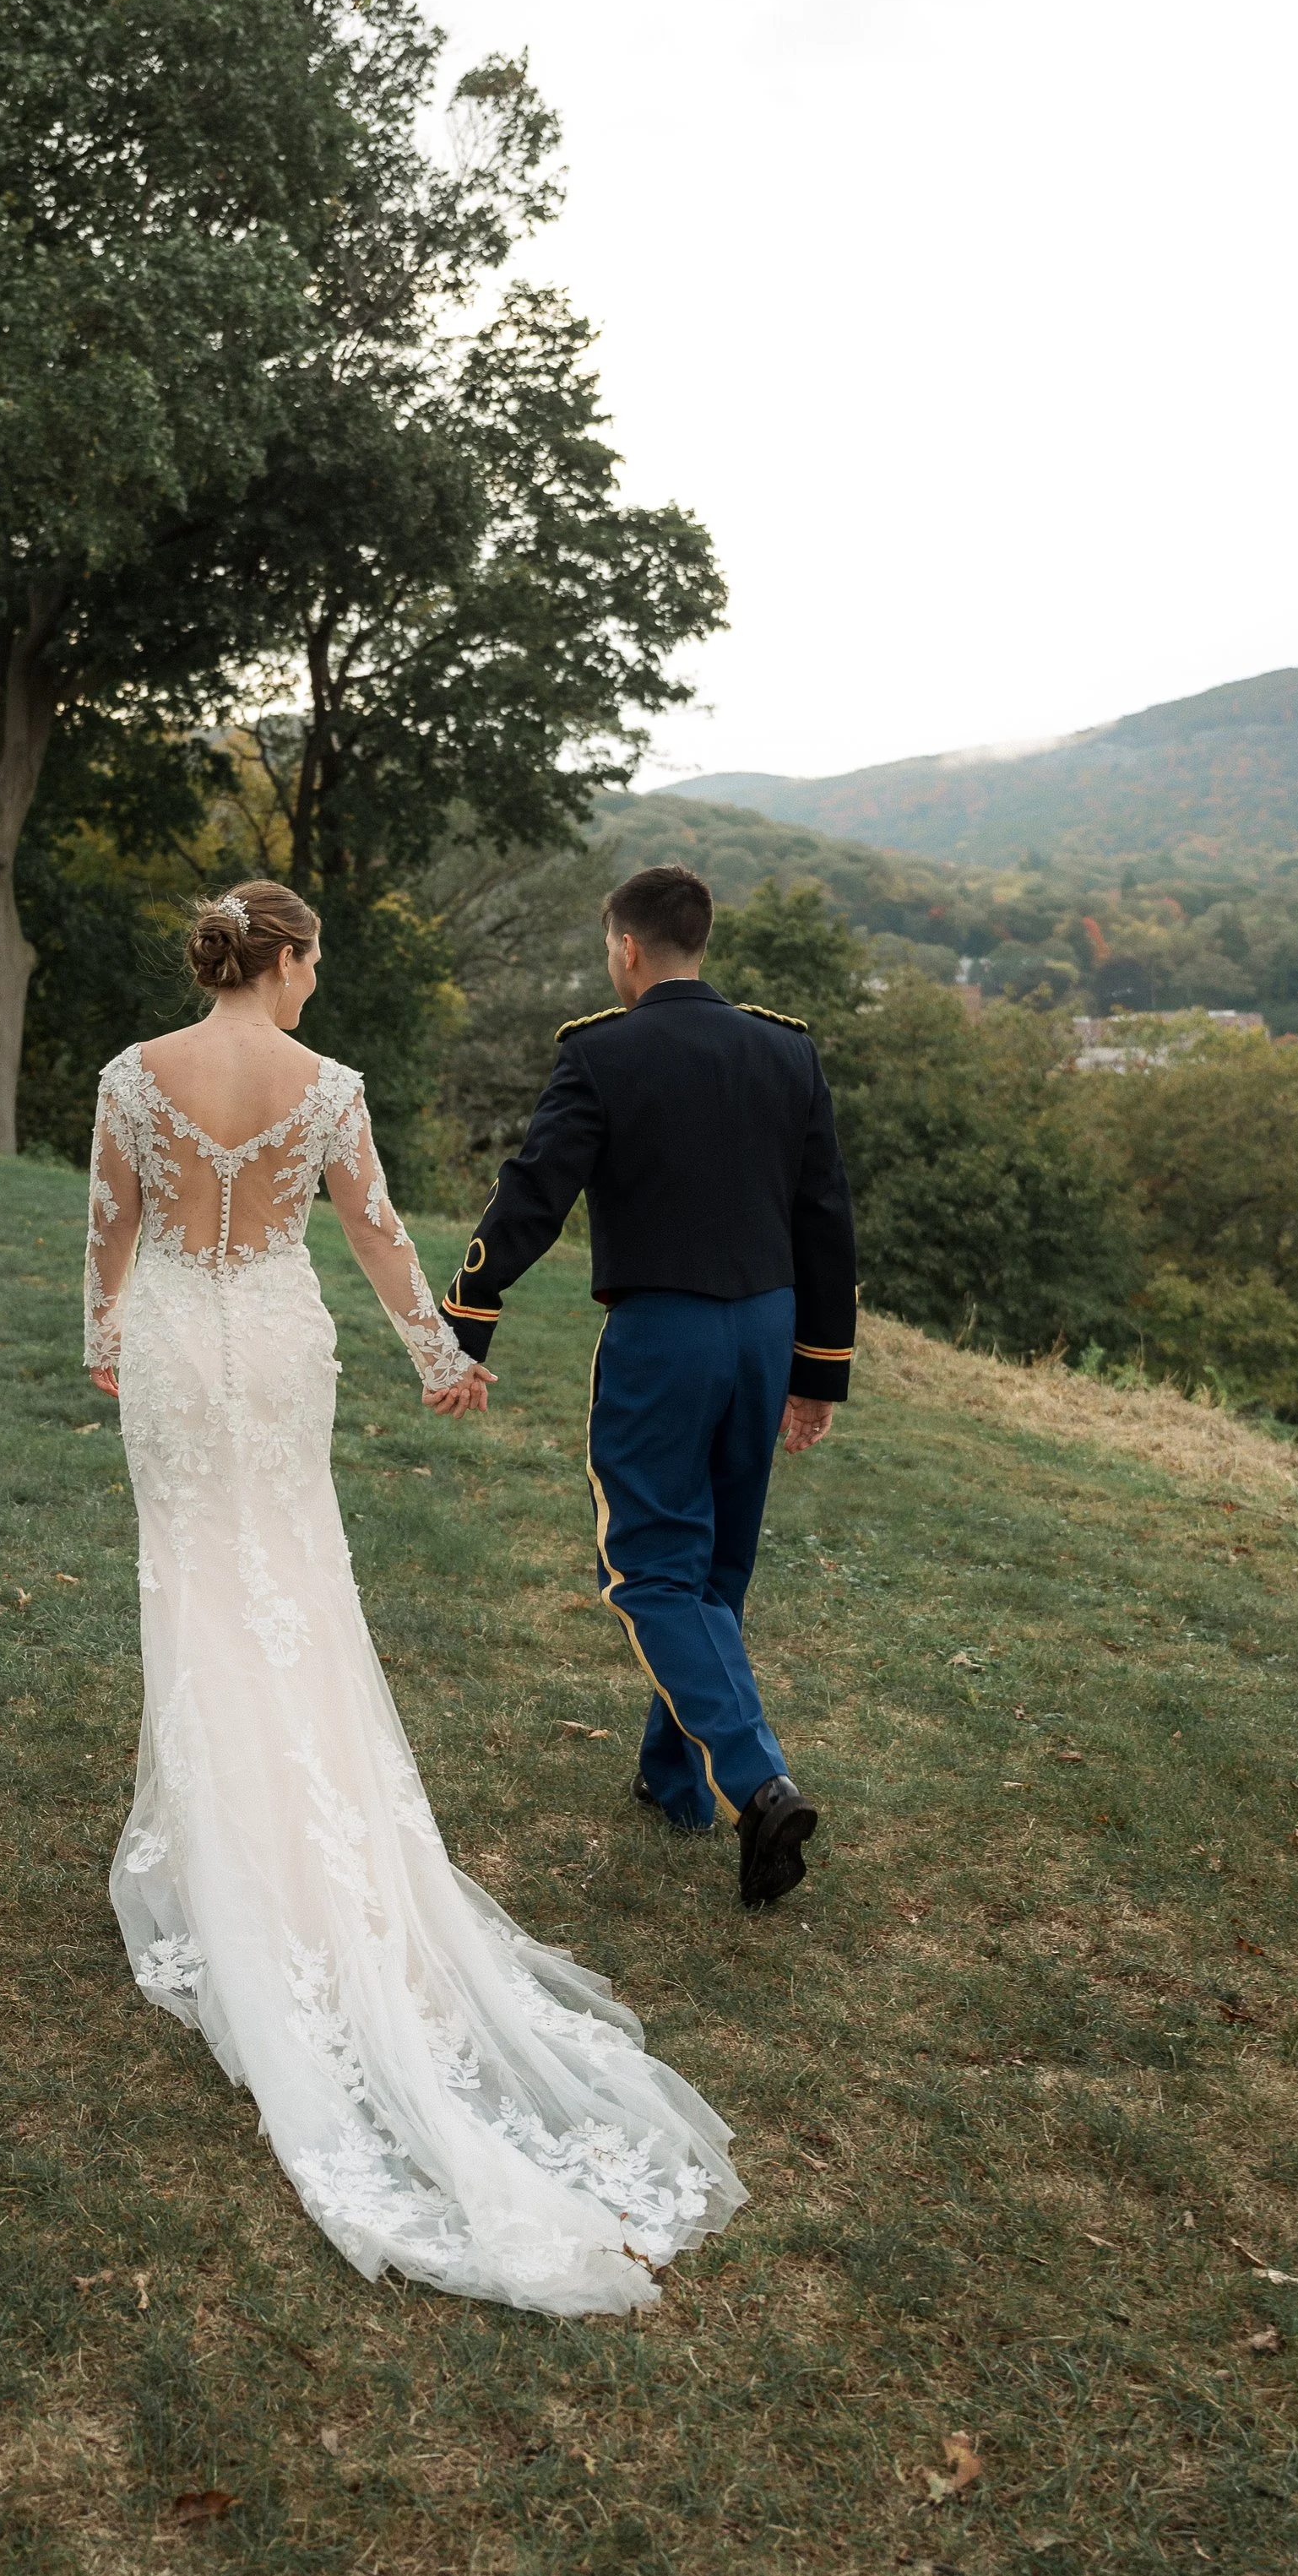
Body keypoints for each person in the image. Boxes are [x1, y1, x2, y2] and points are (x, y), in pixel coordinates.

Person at [83, 879, 746, 2316]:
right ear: (291, 959)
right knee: (293, 1589)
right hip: (276, 1341)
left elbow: (112, 1219)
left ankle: (223, 1839)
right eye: (317, 960)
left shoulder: (130, 1076)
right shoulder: (326, 1087)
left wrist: (103, 1335)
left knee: (198, 1586)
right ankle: (294, 1844)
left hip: (182, 1354)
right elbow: (379, 1235)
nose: (320, 984)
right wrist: (442, 1359)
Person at [439, 863, 857, 1912]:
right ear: (697, 942)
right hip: (766, 1329)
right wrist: (819, 1371)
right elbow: (826, 1220)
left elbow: (533, 1192)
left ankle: (757, 1785)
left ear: (626, 949)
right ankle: (672, 1782)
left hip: (663, 1334)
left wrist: (466, 1318)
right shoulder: (786, 1049)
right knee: (714, 1564)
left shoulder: (602, 1052)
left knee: (649, 1572)